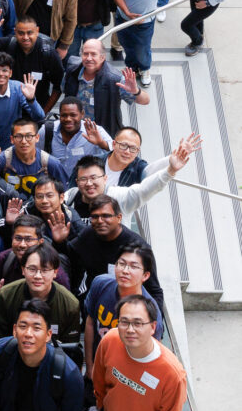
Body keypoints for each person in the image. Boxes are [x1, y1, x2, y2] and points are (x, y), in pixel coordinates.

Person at [64, 136, 198, 227]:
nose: (89, 183)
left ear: (105, 179)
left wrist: (170, 170)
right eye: (83, 179)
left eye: (93, 178)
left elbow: (144, 189)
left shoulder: (118, 196)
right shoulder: (70, 196)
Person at [65, 194, 164, 305]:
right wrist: (59, 242)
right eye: (95, 217)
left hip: (129, 307)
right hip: (96, 303)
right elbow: (68, 258)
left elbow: (154, 291)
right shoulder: (88, 235)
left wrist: (151, 318)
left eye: (106, 216)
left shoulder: (138, 247)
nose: (100, 221)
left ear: (119, 218)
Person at [84, 244, 162, 381]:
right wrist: (90, 366)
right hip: (99, 364)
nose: (125, 270)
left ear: (145, 275)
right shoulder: (100, 284)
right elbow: (90, 323)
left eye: (133, 266)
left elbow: (150, 356)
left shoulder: (150, 313)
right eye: (121, 264)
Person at [0, 243, 80, 345]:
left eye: (45, 270)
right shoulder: (6, 295)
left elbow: (70, 349)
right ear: (23, 270)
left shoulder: (70, 305)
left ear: (55, 272)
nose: (38, 276)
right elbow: (2, 343)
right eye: (32, 269)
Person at [62, 38, 149, 137]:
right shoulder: (72, 69)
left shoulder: (114, 79)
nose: (89, 58)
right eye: (85, 54)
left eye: (93, 54)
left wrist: (135, 91)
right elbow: (64, 89)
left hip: (102, 136)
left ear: (102, 57)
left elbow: (145, 100)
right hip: (74, 132)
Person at [0, 17, 64, 114]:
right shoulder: (9, 44)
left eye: (30, 33)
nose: (25, 37)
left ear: (37, 31)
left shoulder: (49, 53)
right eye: (21, 33)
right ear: (15, 32)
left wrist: (43, 113)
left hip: (35, 109)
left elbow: (58, 87)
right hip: (8, 110)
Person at [0, 53, 44, 152]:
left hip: (16, 147)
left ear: (10, 73)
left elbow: (39, 116)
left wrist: (31, 99)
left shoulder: (19, 88)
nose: (1, 74)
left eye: (5, 70)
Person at [38, 97, 112, 179]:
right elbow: (33, 155)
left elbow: (117, 151)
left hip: (85, 186)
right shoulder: (47, 130)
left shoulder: (95, 131)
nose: (68, 119)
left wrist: (101, 143)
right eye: (64, 115)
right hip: (55, 186)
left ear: (82, 114)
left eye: (73, 115)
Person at [0, 117, 69, 195]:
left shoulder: (52, 163)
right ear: (12, 139)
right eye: (19, 136)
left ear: (37, 138)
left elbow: (65, 194)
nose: (24, 141)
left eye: (29, 136)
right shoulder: (3, 159)